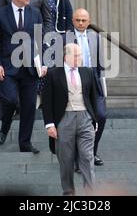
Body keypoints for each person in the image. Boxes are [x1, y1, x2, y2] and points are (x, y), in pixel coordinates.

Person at [0, 0, 47, 153]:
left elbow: (39, 40)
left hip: (30, 68)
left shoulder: (35, 13)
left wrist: (43, 63)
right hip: (8, 67)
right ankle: (5, 127)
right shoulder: (0, 14)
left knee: (29, 106)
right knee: (10, 100)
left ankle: (25, 143)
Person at [42, 43, 99, 196]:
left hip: (85, 117)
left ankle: (90, 193)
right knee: (66, 159)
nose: (78, 59)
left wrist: (95, 119)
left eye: (79, 55)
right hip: (64, 118)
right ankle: (69, 192)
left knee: (87, 157)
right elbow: (46, 102)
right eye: (75, 56)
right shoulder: (54, 74)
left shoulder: (87, 72)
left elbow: (93, 98)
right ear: (65, 56)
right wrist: (49, 124)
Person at [66, 8, 107, 167]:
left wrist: (102, 86)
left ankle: (92, 152)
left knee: (101, 116)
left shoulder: (95, 37)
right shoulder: (65, 38)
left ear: (89, 22)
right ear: (73, 21)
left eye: (84, 20)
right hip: (73, 82)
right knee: (77, 120)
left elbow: (100, 64)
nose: (81, 23)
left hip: (93, 82)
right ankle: (77, 158)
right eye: (78, 20)